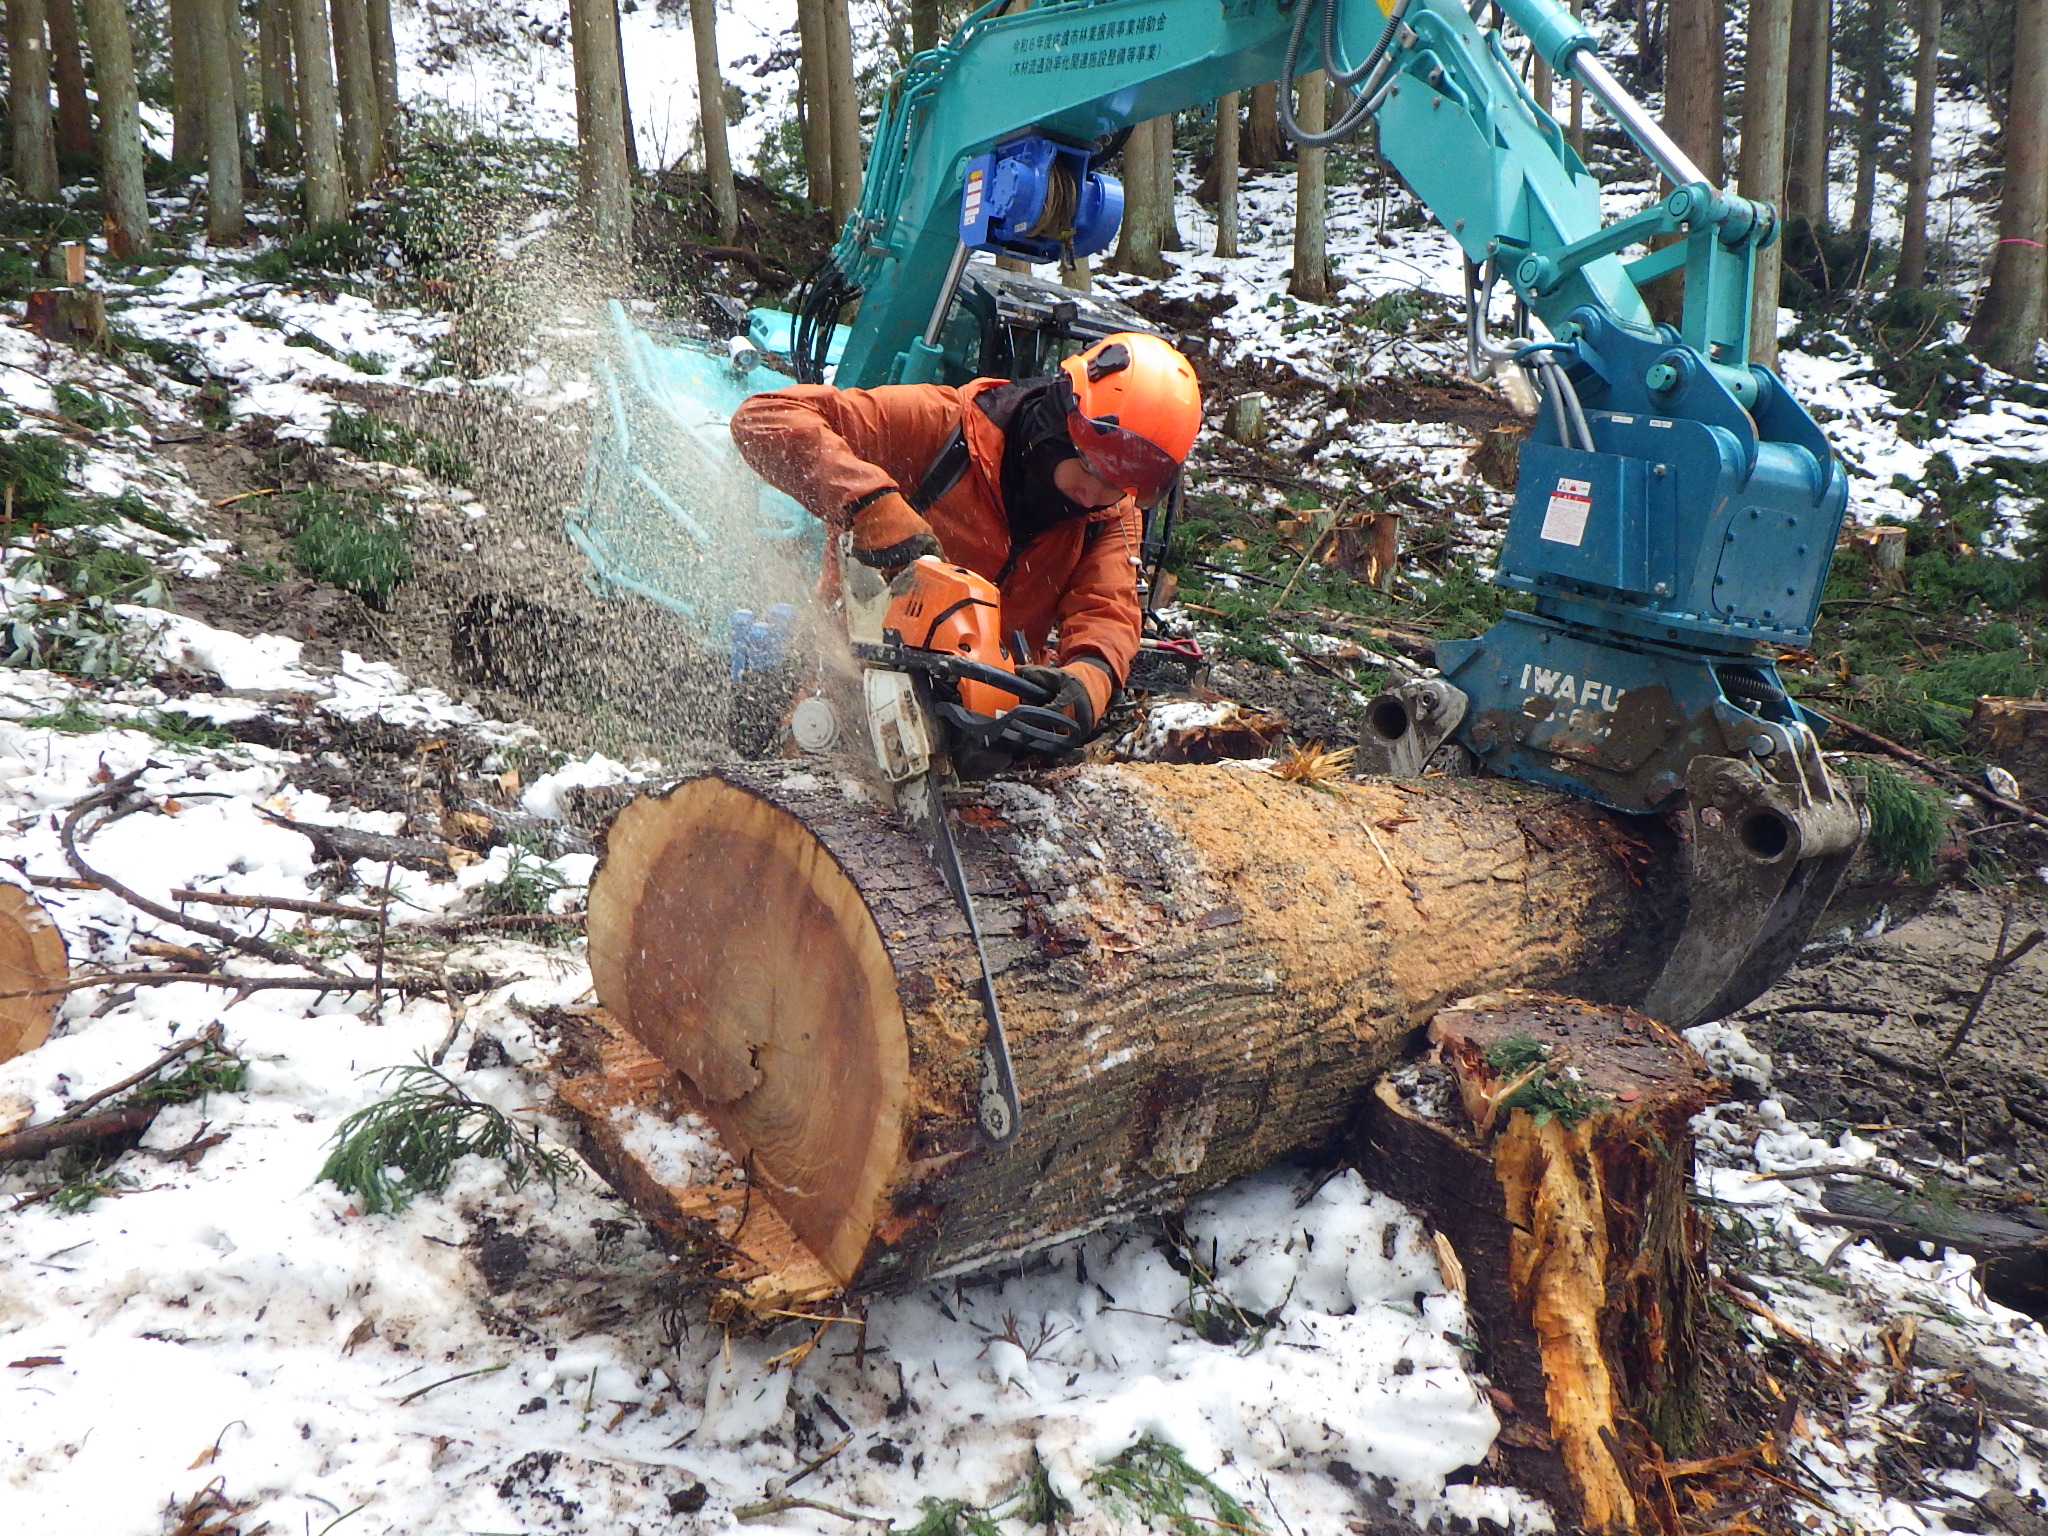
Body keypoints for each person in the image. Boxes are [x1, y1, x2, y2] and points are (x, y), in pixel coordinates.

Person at [729, 331, 1201, 735]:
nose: (1095, 495)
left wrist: (1089, 680)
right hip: (848, 690)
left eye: (1117, 485)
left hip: (989, 716)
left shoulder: (1110, 511)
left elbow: (1108, 611)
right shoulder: (941, 427)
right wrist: (870, 504)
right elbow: (765, 416)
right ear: (1060, 424)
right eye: (1090, 471)